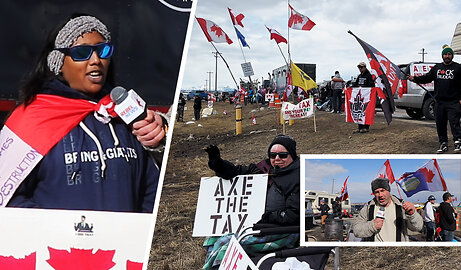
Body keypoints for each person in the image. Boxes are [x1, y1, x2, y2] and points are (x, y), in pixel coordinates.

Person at [2, 14, 165, 213]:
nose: (96, 60)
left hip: (123, 243)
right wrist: (52, 232)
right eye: (82, 53)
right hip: (56, 243)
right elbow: (9, 199)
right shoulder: (30, 118)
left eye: (103, 51)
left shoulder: (121, 117)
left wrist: (159, 141)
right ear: (58, 63)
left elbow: (150, 190)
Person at [203, 134, 300, 269]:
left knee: (227, 244)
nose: (277, 159)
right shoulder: (263, 168)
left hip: (279, 229)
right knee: (214, 236)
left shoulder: (298, 176)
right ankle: (215, 264)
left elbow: (294, 215)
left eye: (283, 155)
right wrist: (218, 164)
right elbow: (236, 172)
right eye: (273, 155)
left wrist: (267, 218)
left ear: (292, 155)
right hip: (254, 223)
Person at [408, 45, 461, 153]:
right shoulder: (437, 68)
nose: (447, 56)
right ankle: (443, 143)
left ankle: (458, 142)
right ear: (442, 56)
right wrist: (415, 78)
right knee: (440, 124)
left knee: (454, 123)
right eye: (445, 54)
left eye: (449, 54)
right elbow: (426, 78)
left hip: (454, 102)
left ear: (452, 56)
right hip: (439, 102)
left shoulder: (458, 68)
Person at [352, 178, 423, 242]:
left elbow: (418, 227)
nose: (380, 195)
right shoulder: (368, 208)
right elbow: (356, 231)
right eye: (377, 192)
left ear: (388, 191)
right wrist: (372, 226)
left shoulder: (401, 206)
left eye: (382, 190)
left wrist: (412, 214)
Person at [352, 61, 375, 133]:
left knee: (366, 111)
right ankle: (360, 127)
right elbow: (355, 84)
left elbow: (371, 85)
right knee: (359, 111)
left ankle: (366, 127)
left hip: (366, 96)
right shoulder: (359, 76)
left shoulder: (369, 75)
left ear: (365, 67)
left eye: (361, 67)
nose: (360, 69)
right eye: (359, 67)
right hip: (360, 96)